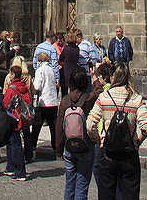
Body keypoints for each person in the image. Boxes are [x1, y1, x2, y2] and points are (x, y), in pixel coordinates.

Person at [87, 62, 147, 200]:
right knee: (130, 194)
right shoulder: (136, 98)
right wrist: (138, 141)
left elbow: (90, 124)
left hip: (108, 151)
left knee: (106, 194)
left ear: (112, 77)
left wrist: (97, 139)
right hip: (129, 152)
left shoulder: (104, 97)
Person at [56, 66, 98, 200]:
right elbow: (99, 91)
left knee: (69, 184)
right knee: (82, 185)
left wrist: (59, 148)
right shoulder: (89, 98)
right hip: (85, 145)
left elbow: (59, 127)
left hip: (69, 146)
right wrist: (95, 79)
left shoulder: (64, 101)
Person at [3, 63, 31, 180]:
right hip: (22, 117)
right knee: (11, 143)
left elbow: (6, 104)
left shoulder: (12, 89)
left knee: (15, 145)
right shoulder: (24, 87)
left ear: (13, 74)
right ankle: (10, 168)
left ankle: (20, 172)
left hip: (13, 119)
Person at [32, 49, 59, 154]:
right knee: (53, 126)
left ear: (40, 61)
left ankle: (32, 144)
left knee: (37, 125)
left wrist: (33, 82)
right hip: (53, 101)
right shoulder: (51, 69)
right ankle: (55, 146)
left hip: (43, 101)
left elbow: (37, 87)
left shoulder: (40, 70)